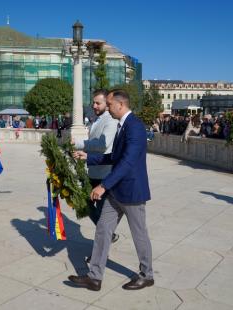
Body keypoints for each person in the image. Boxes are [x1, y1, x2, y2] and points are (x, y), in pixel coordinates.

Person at [70, 89, 153, 291]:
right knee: (103, 229)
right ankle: (94, 277)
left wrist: (103, 185)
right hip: (117, 191)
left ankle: (147, 275)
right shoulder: (121, 126)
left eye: (109, 104)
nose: (107, 107)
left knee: (139, 234)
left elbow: (127, 162)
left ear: (120, 105)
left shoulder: (135, 127)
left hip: (132, 192)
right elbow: (114, 157)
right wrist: (87, 157)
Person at [72, 89, 120, 264]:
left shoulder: (110, 121)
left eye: (98, 103)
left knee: (102, 219)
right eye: (93, 102)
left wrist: (80, 143)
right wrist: (82, 152)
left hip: (104, 174)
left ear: (107, 104)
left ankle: (99, 254)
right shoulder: (96, 120)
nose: (94, 106)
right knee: (88, 207)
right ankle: (109, 237)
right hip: (93, 171)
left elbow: (102, 145)